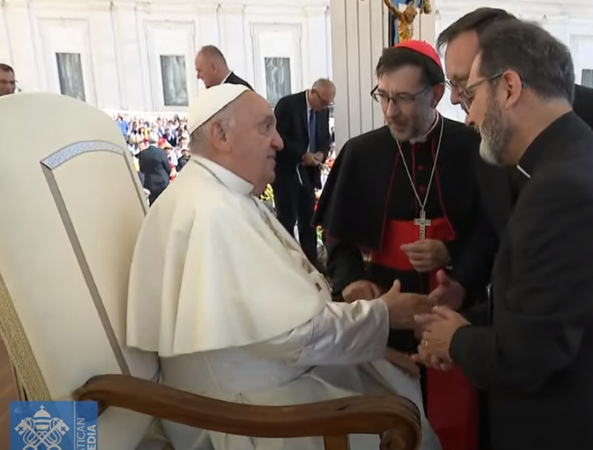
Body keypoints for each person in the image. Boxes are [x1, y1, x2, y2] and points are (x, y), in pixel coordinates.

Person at [125, 84, 441, 450]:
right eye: (265, 128)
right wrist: (383, 317)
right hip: (245, 413)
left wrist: (369, 341)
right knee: (402, 416)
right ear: (221, 135)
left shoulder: (225, 196)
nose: (279, 142)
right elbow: (291, 334)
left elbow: (281, 318)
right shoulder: (214, 212)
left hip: (272, 376)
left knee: (395, 383)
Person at [414, 19, 593, 450]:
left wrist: (456, 340)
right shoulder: (574, 156)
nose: (468, 115)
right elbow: (552, 305)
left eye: (471, 95)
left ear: (508, 87)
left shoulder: (563, 189)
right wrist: (465, 324)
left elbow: (529, 358)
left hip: (576, 424)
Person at [314, 40, 494, 450]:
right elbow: (337, 236)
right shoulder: (361, 153)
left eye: (404, 99)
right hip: (385, 314)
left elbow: (491, 231)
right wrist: (353, 282)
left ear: (435, 95)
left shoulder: (472, 148)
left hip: (457, 310)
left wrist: (453, 259)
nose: (390, 110)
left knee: (458, 427)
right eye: (384, 96)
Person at [273, 79, 335, 268]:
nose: (324, 107)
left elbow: (325, 138)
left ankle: (312, 266)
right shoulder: (287, 105)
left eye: (328, 104)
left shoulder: (322, 111)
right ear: (313, 92)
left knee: (308, 222)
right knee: (287, 220)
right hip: (288, 173)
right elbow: (278, 138)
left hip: (309, 175)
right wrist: (301, 156)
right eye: (323, 102)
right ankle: (288, 266)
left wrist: (321, 154)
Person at [135, 138, 172, 205]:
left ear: (148, 143)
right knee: (165, 203)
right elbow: (167, 167)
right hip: (163, 181)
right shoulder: (161, 152)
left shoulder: (142, 154)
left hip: (150, 182)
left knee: (153, 205)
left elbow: (142, 169)